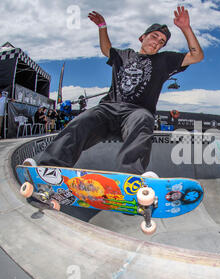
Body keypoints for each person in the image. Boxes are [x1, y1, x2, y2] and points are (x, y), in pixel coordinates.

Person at [35, 6, 203, 174]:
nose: (157, 43)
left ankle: (129, 177)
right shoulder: (124, 55)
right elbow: (106, 49)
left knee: (144, 118)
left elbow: (196, 56)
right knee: (81, 121)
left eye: (161, 42)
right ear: (142, 37)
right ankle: (50, 169)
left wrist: (186, 28)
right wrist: (102, 27)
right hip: (107, 110)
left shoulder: (164, 60)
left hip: (135, 113)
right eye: (154, 37)